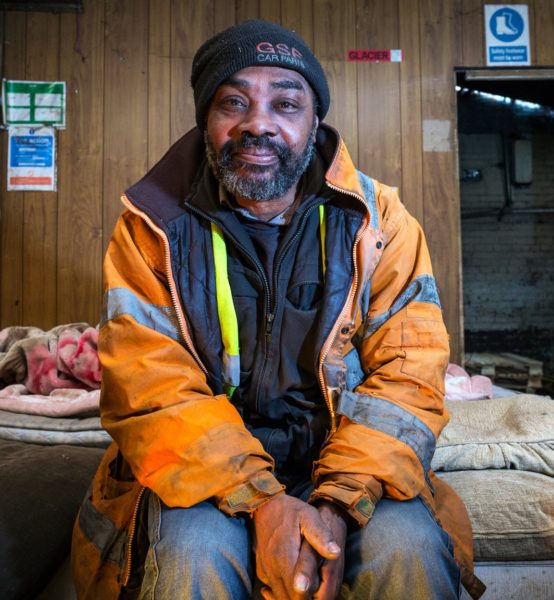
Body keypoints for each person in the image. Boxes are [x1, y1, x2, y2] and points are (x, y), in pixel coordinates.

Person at [72, 20, 484, 600]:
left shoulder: (380, 223)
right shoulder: (151, 229)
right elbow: (153, 391)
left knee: (408, 550)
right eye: (233, 102)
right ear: (206, 120)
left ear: (314, 123)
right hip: (206, 473)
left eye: (285, 104)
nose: (258, 123)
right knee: (191, 555)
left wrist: (337, 505)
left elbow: (408, 376)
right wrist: (263, 504)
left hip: (345, 464)